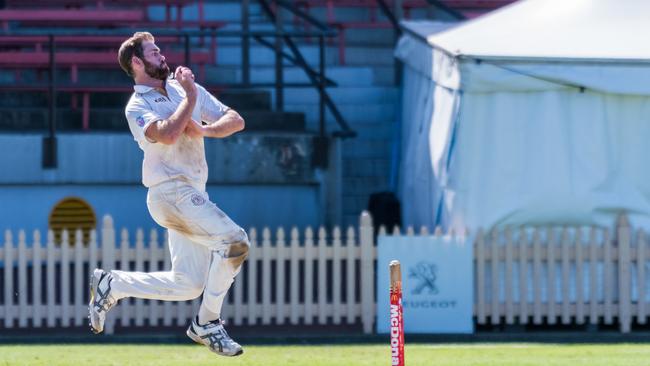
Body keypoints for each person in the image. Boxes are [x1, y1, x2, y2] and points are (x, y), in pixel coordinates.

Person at [88, 31, 249, 357]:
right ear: (137, 62)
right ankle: (207, 323)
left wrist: (203, 128)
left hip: (192, 192)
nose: (162, 56)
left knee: (188, 283)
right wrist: (190, 99)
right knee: (235, 242)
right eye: (154, 51)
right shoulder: (138, 104)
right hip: (169, 193)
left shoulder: (182, 88)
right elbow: (168, 134)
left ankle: (113, 284)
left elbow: (236, 120)